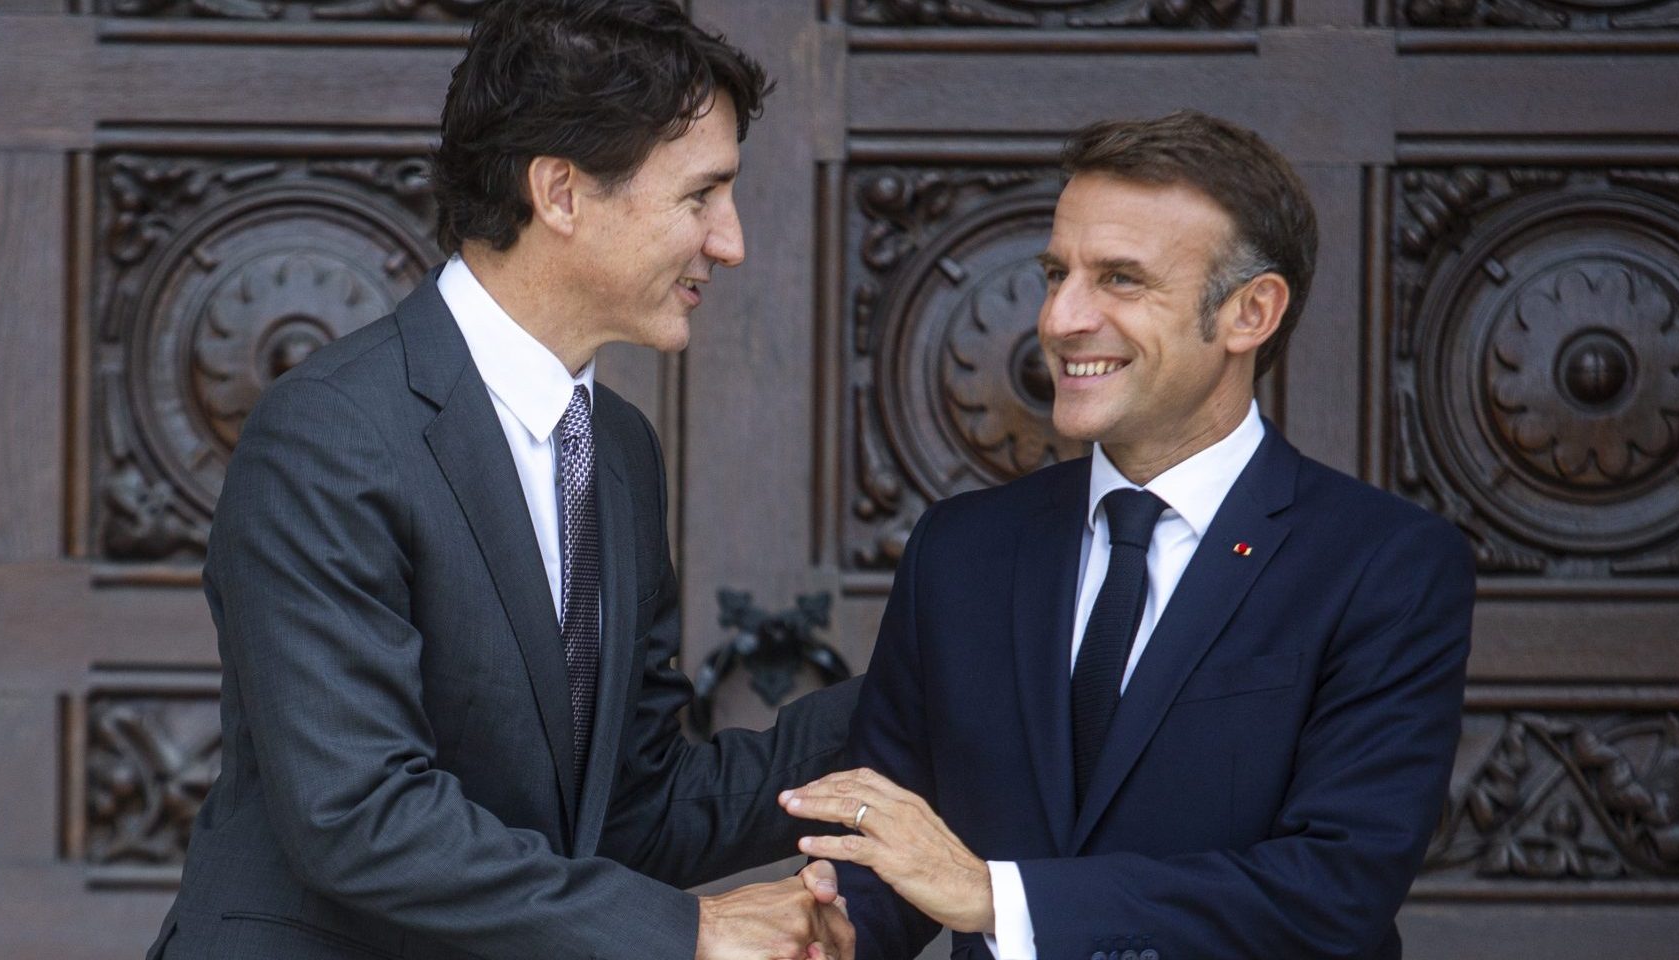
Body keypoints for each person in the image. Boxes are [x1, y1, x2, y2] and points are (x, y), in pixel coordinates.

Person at [145, 2, 858, 958]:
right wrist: (691, 931)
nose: (730, 242)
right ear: (560, 193)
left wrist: (931, 690)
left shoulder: (618, 450)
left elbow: (635, 809)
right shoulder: (329, 433)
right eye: (701, 196)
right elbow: (360, 815)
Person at [779, 111, 1474, 960]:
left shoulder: (1387, 566)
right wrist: (834, 929)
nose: (1061, 318)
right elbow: (889, 840)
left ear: (1251, 312)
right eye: (1056, 272)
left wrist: (1001, 897)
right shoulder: (959, 550)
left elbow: (1333, 892)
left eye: (1119, 279)